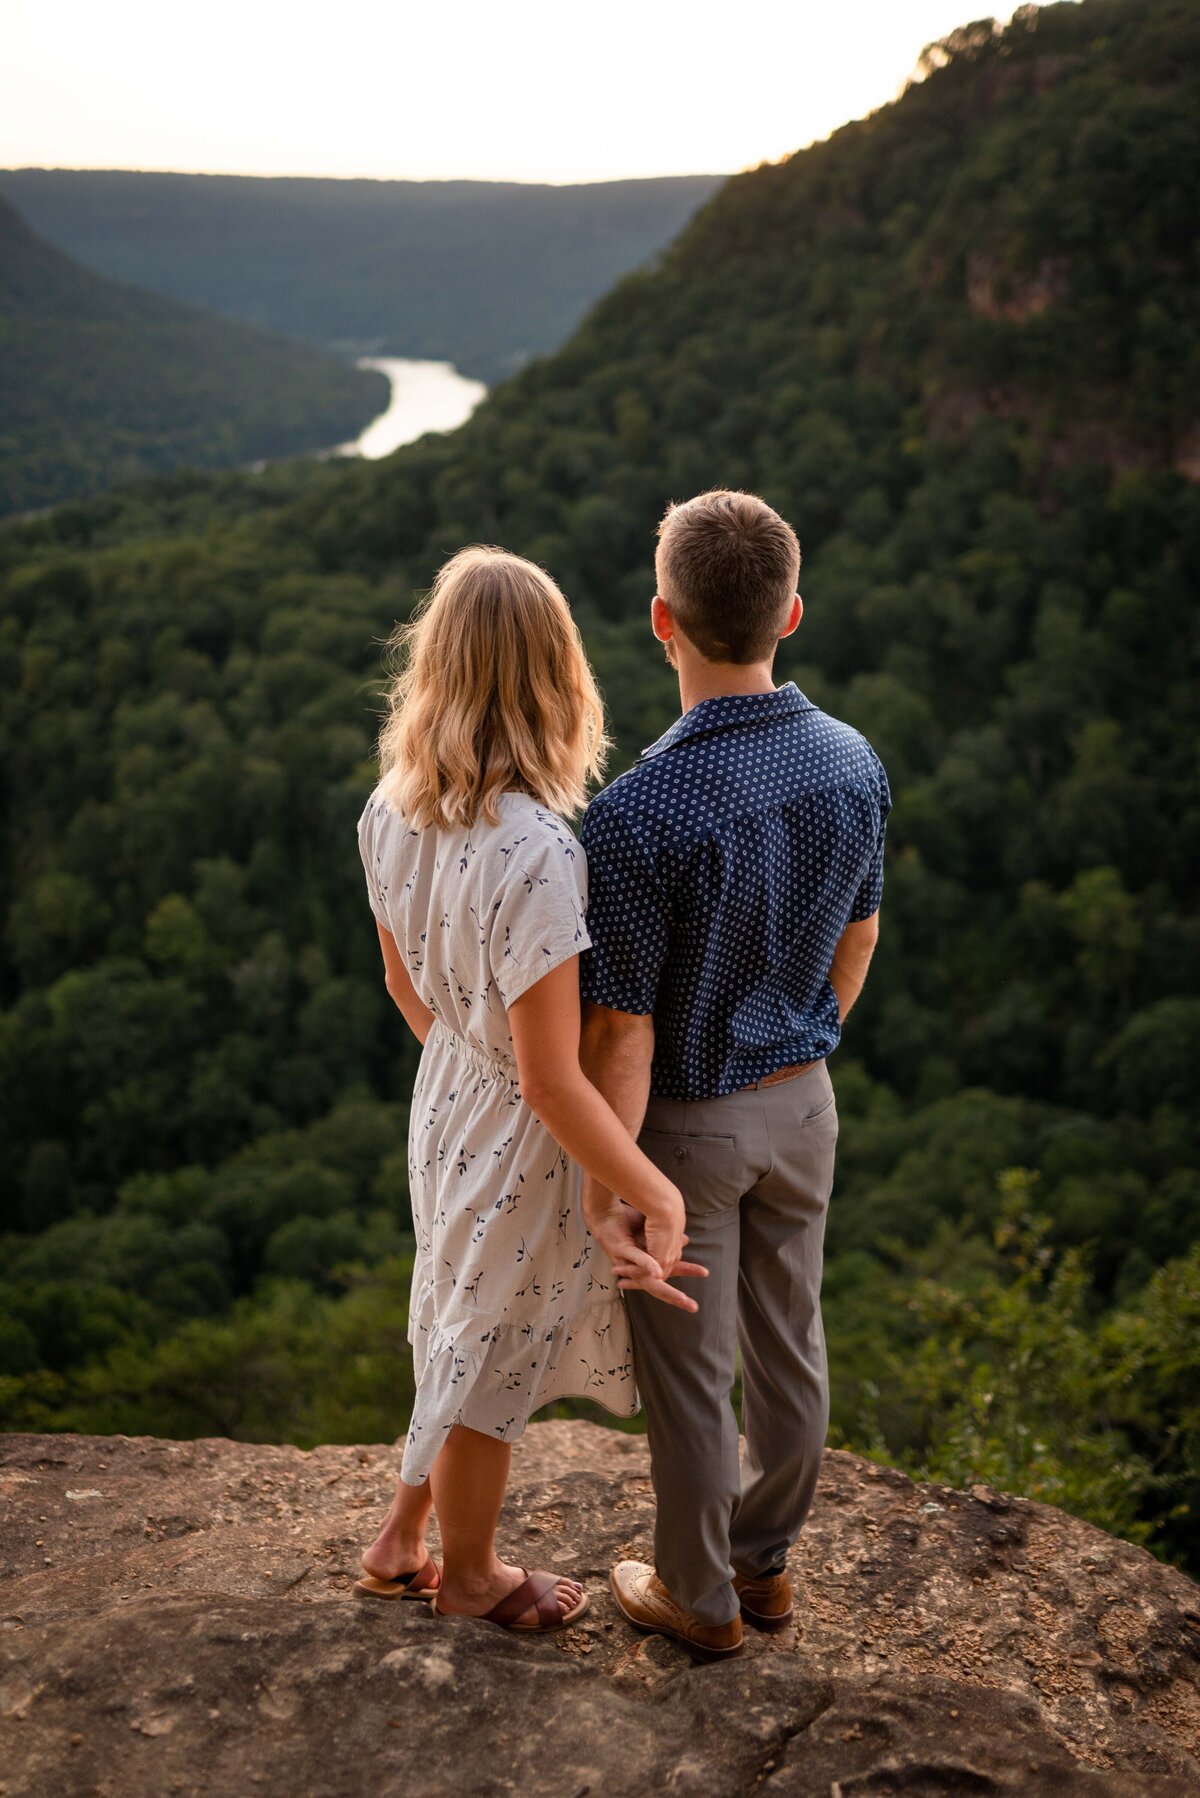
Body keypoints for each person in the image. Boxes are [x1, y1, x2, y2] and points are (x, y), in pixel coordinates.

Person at [353, 544, 698, 1636]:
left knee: (452, 1315)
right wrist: (651, 1184)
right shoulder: (539, 853)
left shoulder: (391, 810)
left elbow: (406, 987)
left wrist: (467, 1061)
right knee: (489, 1351)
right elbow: (554, 1079)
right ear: (560, 678)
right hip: (512, 1123)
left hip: (446, 1093)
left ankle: (401, 1537)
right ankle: (472, 1574)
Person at [579, 490, 891, 1661]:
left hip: (689, 1126)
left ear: (663, 619)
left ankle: (700, 1600)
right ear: (792, 613)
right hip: (805, 1099)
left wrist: (616, 1177)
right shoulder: (854, 763)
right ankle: (767, 1570)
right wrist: (798, 1044)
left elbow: (624, 1033)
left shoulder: (634, 814)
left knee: (692, 1376)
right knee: (790, 1345)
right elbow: (856, 943)